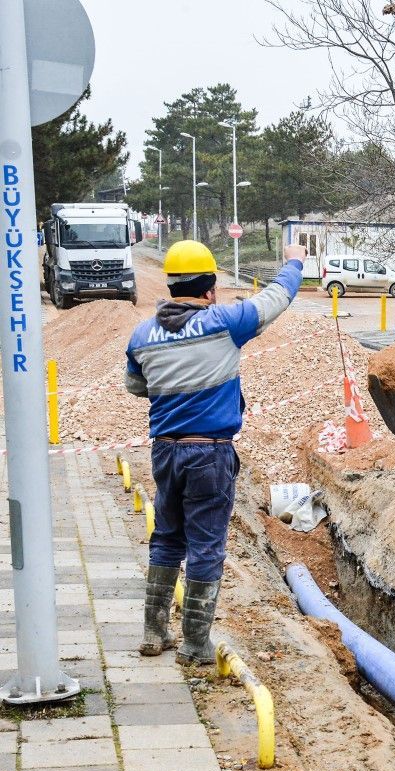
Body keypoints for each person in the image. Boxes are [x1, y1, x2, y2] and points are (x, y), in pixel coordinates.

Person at [126, 240, 307, 664]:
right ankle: (194, 644)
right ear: (210, 289)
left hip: (165, 452)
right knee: (206, 544)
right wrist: (295, 262)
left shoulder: (142, 334)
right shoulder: (223, 321)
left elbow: (136, 386)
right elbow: (277, 297)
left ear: (171, 286)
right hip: (209, 453)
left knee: (167, 538)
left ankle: (154, 631)